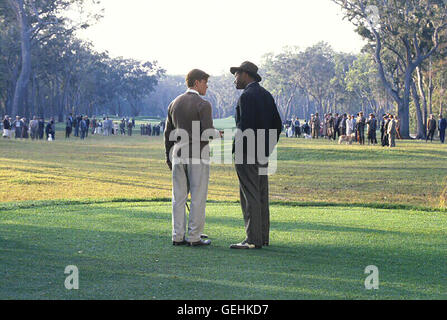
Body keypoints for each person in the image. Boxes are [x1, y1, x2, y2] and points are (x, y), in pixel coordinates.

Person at [229, 61, 282, 250]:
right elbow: (278, 125)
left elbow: (245, 127)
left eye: (237, 74)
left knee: (249, 194)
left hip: (246, 152)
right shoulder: (266, 95)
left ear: (246, 75)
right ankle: (262, 237)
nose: (235, 78)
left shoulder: (246, 96)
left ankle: (252, 239)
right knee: (261, 194)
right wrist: (267, 147)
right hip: (262, 152)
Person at [164, 69, 219, 247]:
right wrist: (220, 133)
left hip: (177, 153)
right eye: (205, 82)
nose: (207, 86)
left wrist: (168, 157)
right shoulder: (204, 104)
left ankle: (177, 235)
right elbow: (208, 133)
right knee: (197, 196)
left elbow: (167, 134)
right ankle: (194, 236)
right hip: (198, 154)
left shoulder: (174, 103)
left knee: (178, 197)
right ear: (196, 83)